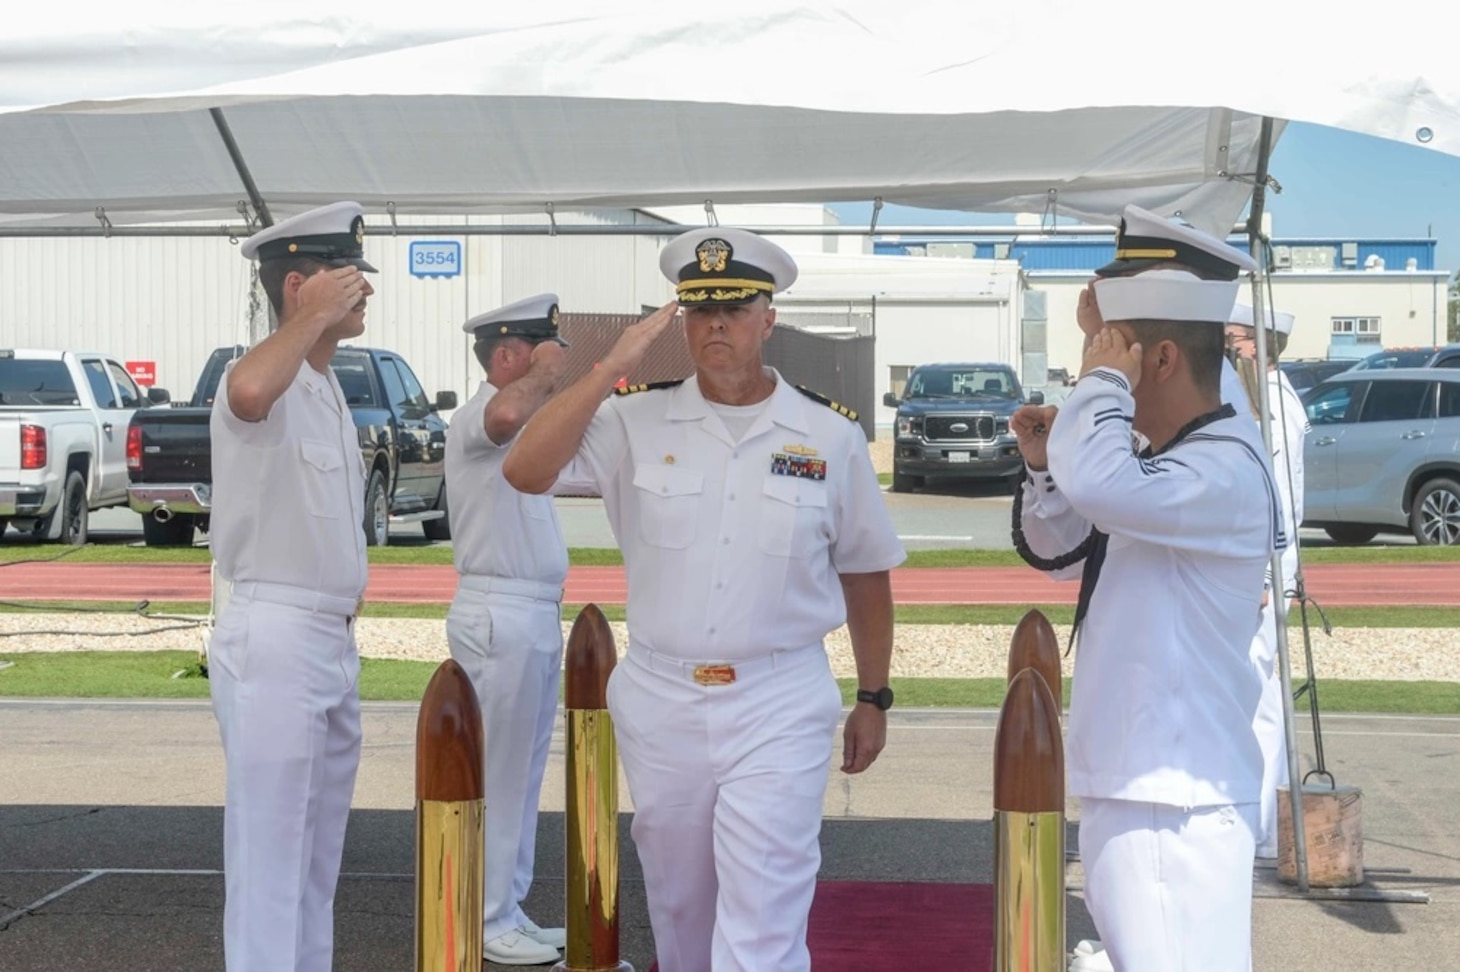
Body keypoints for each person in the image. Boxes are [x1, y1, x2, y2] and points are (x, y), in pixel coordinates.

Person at [502, 227, 905, 972]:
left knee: (764, 913)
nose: (714, 326)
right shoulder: (631, 418)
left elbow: (865, 570)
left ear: (768, 318)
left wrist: (874, 694)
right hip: (663, 695)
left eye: (733, 308)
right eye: (699, 311)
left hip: (778, 695)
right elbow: (525, 469)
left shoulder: (828, 435)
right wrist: (608, 370)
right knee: (682, 907)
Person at [1012, 267, 1283, 972]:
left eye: (1116, 353)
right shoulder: (1166, 463)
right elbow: (1061, 552)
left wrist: (1095, 390)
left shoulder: (1217, 468)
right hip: (1145, 786)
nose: (1099, 369)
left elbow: (1102, 484)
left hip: (1172, 797)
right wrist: (1047, 467)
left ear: (1160, 361)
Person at [208, 201, 376, 972]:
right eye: (350, 281)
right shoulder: (266, 376)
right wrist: (306, 321)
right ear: (301, 288)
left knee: (315, 859)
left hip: (329, 640)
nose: (365, 292)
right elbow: (245, 393)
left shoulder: (323, 386)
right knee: (271, 855)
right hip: (274, 635)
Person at [444, 293, 570, 965]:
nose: (554, 362)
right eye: (541, 350)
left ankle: (506, 908)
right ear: (505, 356)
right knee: (497, 773)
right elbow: (505, 411)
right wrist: (544, 377)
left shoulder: (527, 426)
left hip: (532, 612)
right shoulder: (480, 418)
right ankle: (487, 919)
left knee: (520, 774)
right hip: (499, 610)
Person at [1227, 302, 1308, 859]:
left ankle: (1253, 830)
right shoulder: (1266, 401)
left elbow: (1273, 501)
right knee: (1259, 699)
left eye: (1232, 339)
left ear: (1257, 343)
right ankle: (1258, 828)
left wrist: (1261, 575)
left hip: (1264, 573)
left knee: (1253, 702)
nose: (1227, 350)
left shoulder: (1271, 406)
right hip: (1268, 571)